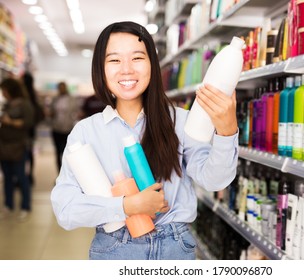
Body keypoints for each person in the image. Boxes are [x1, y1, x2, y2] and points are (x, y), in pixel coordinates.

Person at [51, 21, 238, 260]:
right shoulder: (86, 132)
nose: (127, 69)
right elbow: (65, 209)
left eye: (137, 58)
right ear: (101, 68)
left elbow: (215, 181)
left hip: (175, 249)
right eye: (114, 60)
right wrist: (127, 206)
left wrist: (226, 132)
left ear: (152, 64)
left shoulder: (182, 122)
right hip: (114, 249)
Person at [0, 77, 35, 221]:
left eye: (4, 90)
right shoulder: (7, 104)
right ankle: (8, 205)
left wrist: (11, 122)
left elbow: (29, 122)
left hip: (19, 145)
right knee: (7, 177)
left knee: (21, 177)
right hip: (4, 145)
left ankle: (25, 206)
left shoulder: (24, 104)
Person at [50, 81, 79, 172]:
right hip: (56, 128)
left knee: (68, 152)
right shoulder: (55, 99)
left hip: (68, 128)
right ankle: (59, 173)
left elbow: (76, 112)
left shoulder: (71, 99)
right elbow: (51, 112)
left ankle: (68, 173)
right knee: (58, 152)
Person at [21, 72, 44, 185]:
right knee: (29, 153)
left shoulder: (23, 94)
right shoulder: (33, 94)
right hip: (31, 128)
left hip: (23, 129)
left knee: (23, 153)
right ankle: (29, 175)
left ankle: (23, 176)